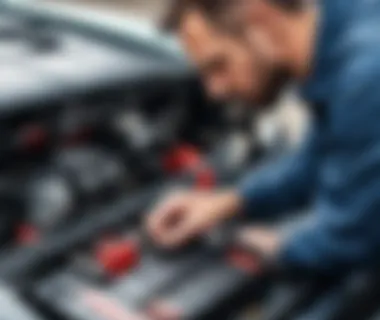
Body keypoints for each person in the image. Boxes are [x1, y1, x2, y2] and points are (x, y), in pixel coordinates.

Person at [146, 0, 380, 274]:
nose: (214, 91)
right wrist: (229, 201)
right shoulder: (344, 24)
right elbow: (323, 153)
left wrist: (276, 246)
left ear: (261, 18)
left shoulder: (365, 76)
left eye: (218, 65)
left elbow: (354, 239)